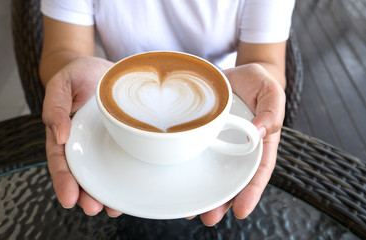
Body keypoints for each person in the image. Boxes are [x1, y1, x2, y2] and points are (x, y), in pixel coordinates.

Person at [40, 0, 295, 226]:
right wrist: (70, 69)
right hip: (111, 98)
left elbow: (267, 61)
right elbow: (61, 49)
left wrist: (261, 85)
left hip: (228, 95)